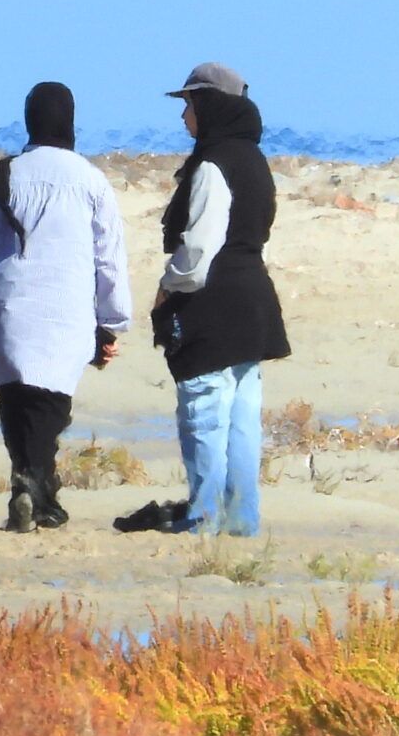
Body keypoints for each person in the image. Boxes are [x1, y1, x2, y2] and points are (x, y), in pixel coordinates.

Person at [121, 64, 291, 538]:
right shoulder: (255, 160)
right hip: (253, 301)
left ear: (211, 106)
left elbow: (198, 250)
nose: (183, 116)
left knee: (205, 414)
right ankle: (240, 519)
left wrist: (168, 286)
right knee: (242, 421)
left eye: (189, 104)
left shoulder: (214, 164)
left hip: (215, 306)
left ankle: (204, 517)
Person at [0, 82, 132, 532]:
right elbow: (108, 257)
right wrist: (112, 321)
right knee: (50, 406)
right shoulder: (91, 180)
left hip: (6, 303)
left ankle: (31, 487)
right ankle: (35, 491)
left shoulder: (1, 177)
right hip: (65, 307)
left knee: (16, 402)